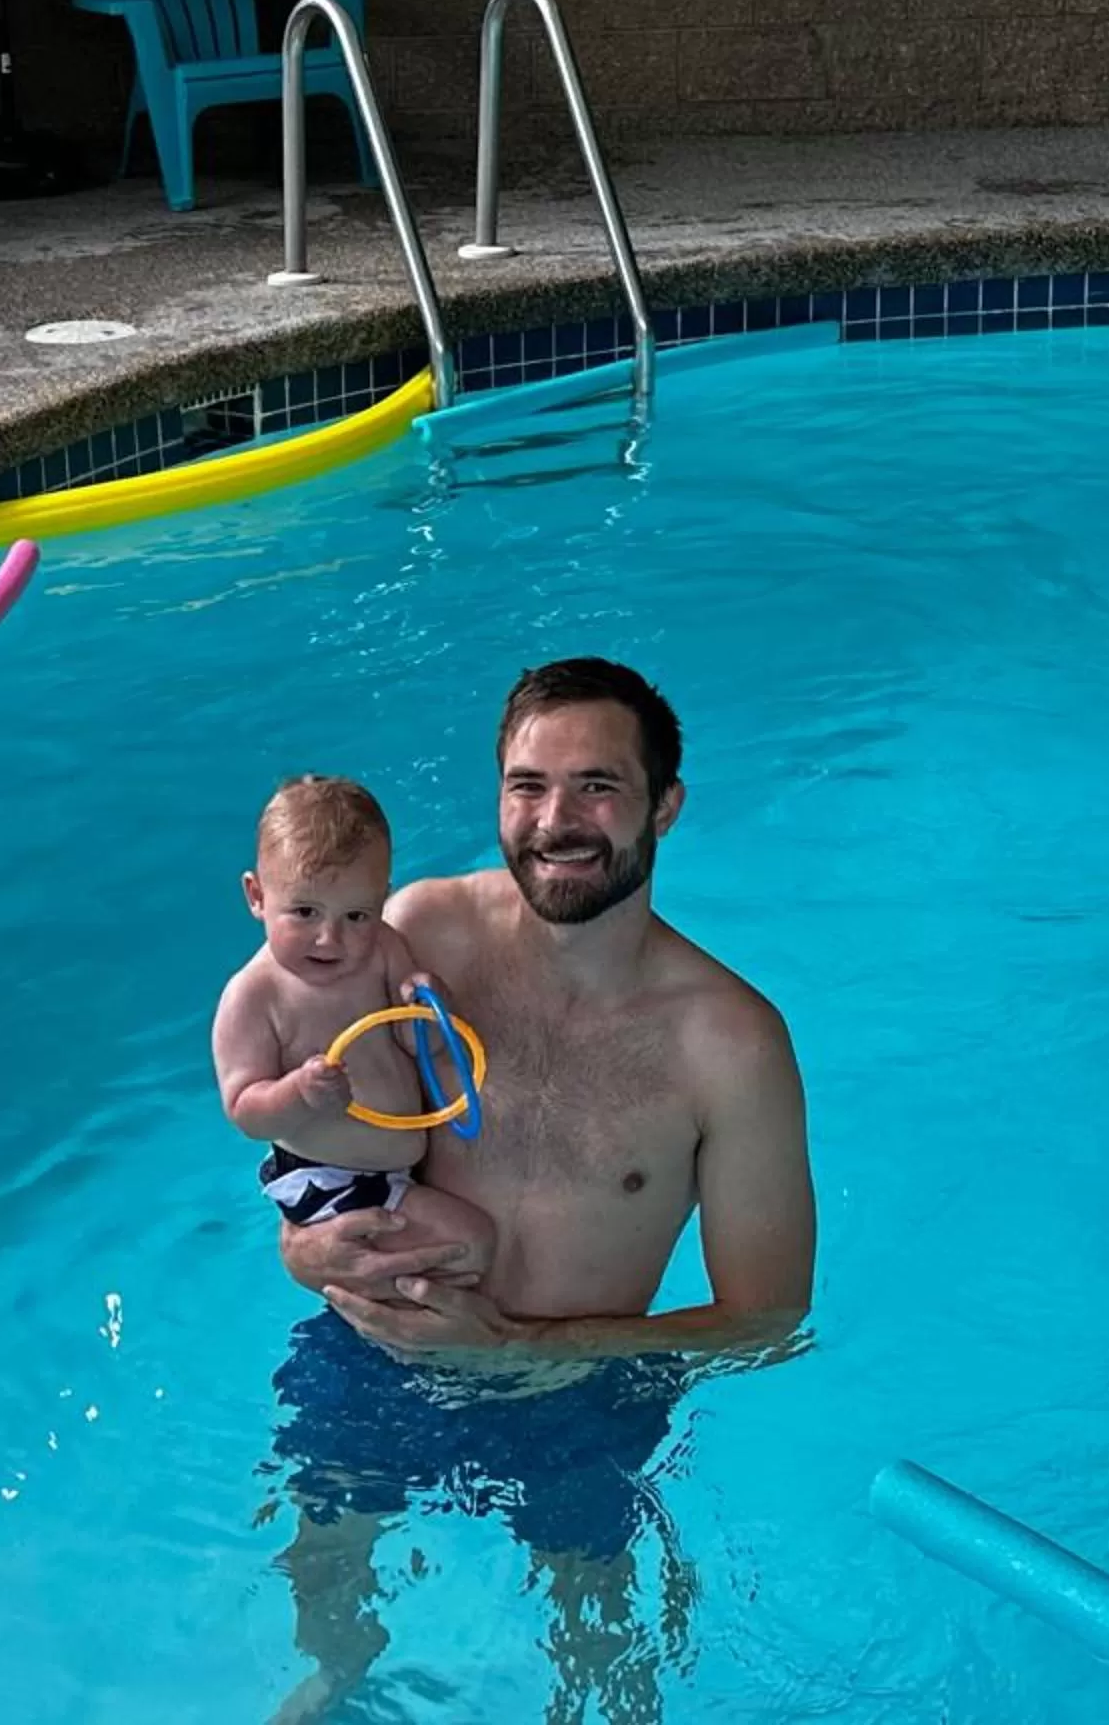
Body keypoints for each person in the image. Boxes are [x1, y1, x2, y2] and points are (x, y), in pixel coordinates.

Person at [262, 658, 818, 1725]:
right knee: (319, 1566)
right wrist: (302, 1249)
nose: (557, 820)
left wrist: (520, 1353)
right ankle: (338, 1683)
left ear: (666, 805)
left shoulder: (729, 1045)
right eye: (528, 786)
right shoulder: (417, 935)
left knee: (596, 1636)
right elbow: (312, 1136)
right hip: (386, 1345)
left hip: (580, 1393)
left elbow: (770, 1321)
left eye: (598, 787)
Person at [212, 775, 496, 1282]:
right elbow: (245, 1112)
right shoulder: (254, 998)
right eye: (304, 912)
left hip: (393, 1169)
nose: (330, 938)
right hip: (329, 1182)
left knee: (476, 1238)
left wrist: (433, 1011)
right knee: (471, 1241)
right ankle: (410, 1332)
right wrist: (299, 1094)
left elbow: (418, 1044)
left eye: (357, 915)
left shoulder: (383, 949)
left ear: (382, 900)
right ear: (257, 896)